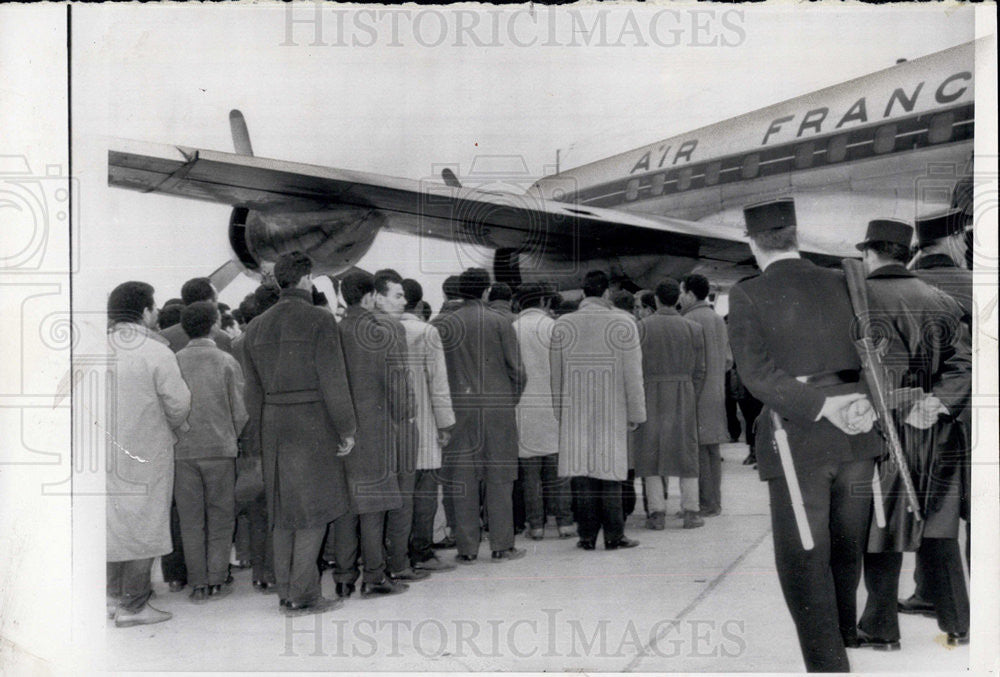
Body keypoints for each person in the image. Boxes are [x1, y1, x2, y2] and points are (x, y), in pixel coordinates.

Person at [727, 198, 882, 672]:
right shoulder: (845, 280)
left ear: (753, 244)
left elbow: (755, 375)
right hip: (857, 434)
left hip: (797, 437)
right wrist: (861, 403)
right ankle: (842, 637)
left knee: (804, 556)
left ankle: (827, 664)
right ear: (796, 236)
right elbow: (877, 348)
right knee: (846, 546)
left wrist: (820, 406)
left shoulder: (747, 292)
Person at [851, 219, 972, 649]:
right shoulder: (941, 300)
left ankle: (881, 628)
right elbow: (964, 365)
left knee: (880, 530)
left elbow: (856, 374)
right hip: (936, 432)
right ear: (907, 254)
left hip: (881, 433)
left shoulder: (857, 298)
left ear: (870, 253)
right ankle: (958, 625)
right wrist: (935, 401)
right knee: (940, 530)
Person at [242, 252, 356, 616]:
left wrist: (261, 434)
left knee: (282, 510)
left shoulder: (256, 326)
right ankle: (304, 595)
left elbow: (252, 392)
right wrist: (347, 428)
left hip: (273, 422)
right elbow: (333, 380)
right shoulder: (320, 319)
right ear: (306, 278)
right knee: (314, 509)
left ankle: (286, 591)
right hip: (312, 421)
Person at [900, 207, 975, 618]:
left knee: (929, 507)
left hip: (923, 416)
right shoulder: (981, 282)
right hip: (979, 414)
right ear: (952, 241)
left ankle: (931, 592)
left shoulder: (907, 285)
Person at [106, 281, 191, 627]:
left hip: (101, 453)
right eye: (153, 308)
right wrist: (175, 426)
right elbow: (179, 403)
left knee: (110, 522)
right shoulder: (156, 352)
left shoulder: (89, 349)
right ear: (144, 312)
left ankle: (111, 597)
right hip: (146, 449)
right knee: (145, 522)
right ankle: (135, 604)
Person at [433, 268, 527, 563]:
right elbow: (518, 372)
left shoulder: (444, 325)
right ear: (487, 291)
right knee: (499, 478)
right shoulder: (500, 322)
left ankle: (467, 548)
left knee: (463, 478)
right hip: (497, 410)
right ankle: (502, 545)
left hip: (460, 410)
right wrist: (507, 401)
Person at [327, 269, 411, 598]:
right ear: (370, 296)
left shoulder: (333, 331)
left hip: (340, 430)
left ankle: (344, 577)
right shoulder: (379, 332)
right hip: (374, 428)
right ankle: (374, 576)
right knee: (374, 505)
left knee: (347, 504)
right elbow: (396, 384)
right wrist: (405, 414)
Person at [551, 270, 645, 551]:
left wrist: (559, 410)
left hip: (575, 408)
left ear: (583, 293)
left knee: (582, 473)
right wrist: (637, 413)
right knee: (611, 472)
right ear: (606, 293)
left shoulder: (562, 325)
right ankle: (615, 535)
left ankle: (587, 536)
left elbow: (556, 374)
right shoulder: (624, 323)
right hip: (612, 407)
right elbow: (633, 373)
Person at [173, 301, 249, 603]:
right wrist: (231, 435)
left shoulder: (174, 360)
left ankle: (198, 582)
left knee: (191, 519)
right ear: (215, 324)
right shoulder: (226, 361)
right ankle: (218, 577)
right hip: (219, 449)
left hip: (183, 452)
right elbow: (241, 411)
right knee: (220, 515)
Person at [371, 269, 430, 584]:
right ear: (378, 297)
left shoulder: (353, 326)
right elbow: (399, 381)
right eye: (397, 295)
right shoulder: (392, 329)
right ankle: (399, 563)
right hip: (398, 425)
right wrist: (409, 414)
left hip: (370, 427)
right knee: (403, 497)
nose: (403, 300)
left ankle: (376, 564)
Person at [633, 279, 706, 530]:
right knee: (686, 452)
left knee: (650, 453)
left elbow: (635, 367)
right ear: (677, 299)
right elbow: (700, 370)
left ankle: (656, 513)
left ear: (655, 300)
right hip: (683, 392)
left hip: (649, 392)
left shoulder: (641, 327)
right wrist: (689, 391)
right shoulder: (693, 328)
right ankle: (691, 511)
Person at [398, 279, 457, 571]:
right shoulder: (426, 331)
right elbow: (439, 383)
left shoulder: (380, 331)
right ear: (420, 305)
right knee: (425, 492)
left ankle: (397, 553)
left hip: (394, 427)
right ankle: (421, 551)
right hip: (424, 423)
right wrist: (445, 424)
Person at [512, 283, 575, 540]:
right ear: (542, 301)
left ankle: (535, 525)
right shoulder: (554, 327)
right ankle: (564, 523)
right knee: (558, 469)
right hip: (553, 404)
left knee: (530, 473)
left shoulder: (512, 328)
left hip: (523, 406)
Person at [231, 285, 280, 592]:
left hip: (248, 431)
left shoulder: (236, 343)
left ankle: (260, 571)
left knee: (258, 507)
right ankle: (273, 571)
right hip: (274, 429)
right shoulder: (276, 341)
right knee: (278, 504)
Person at [680, 273, 732, 517]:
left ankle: (705, 503)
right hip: (717, 393)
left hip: (695, 393)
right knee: (712, 451)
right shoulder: (717, 319)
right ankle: (715, 502)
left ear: (690, 294)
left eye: (682, 293)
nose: (680, 298)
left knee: (698, 451)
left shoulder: (688, 320)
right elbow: (729, 361)